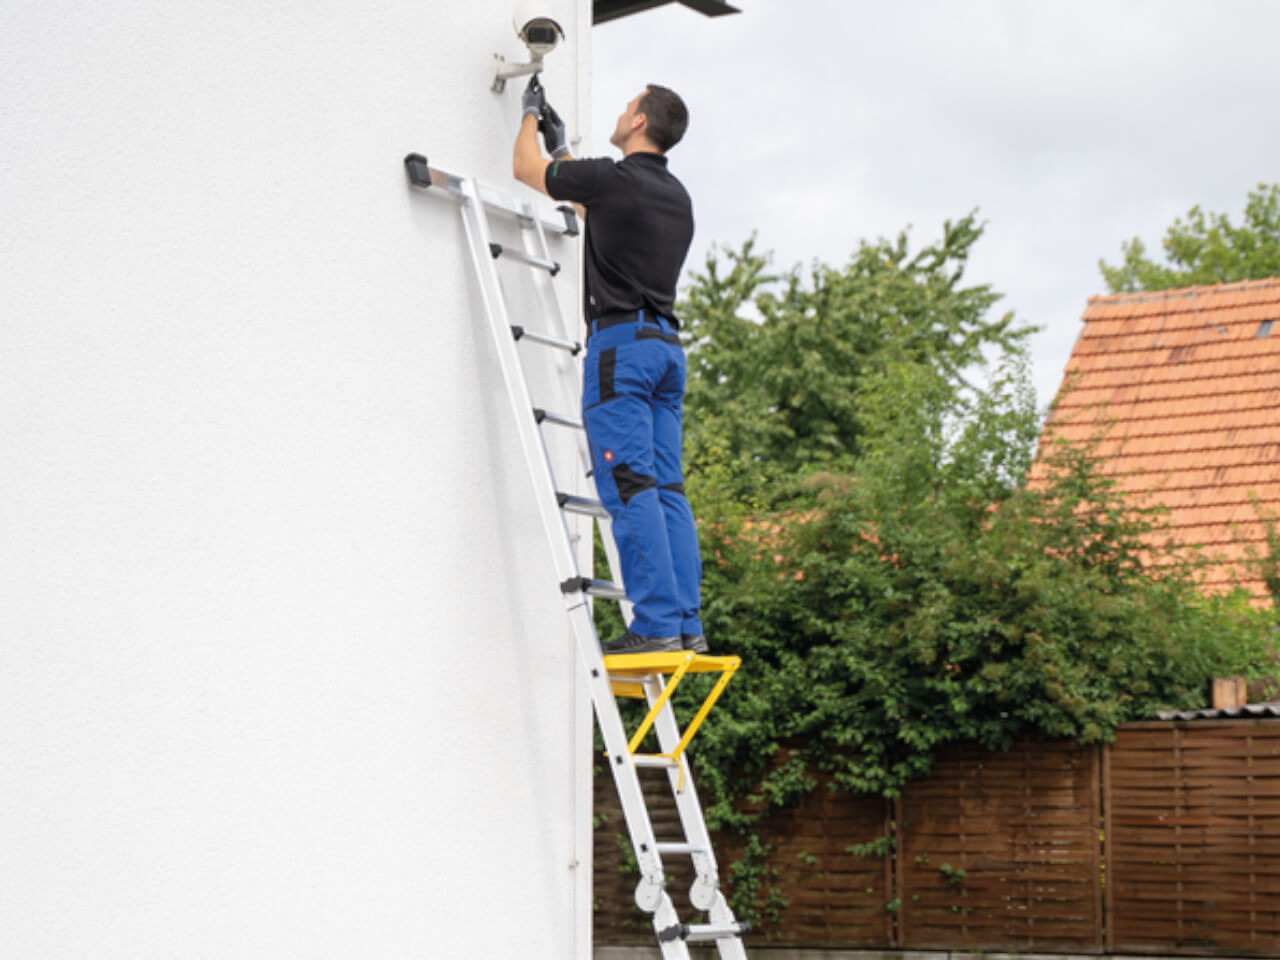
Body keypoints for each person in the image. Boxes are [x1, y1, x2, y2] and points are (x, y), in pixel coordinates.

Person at [513, 78, 706, 657]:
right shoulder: (676, 197)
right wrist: (563, 147)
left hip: (620, 352)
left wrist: (529, 119)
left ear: (641, 123)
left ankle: (654, 627)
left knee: (630, 486)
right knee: (666, 489)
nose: (620, 114)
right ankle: (685, 624)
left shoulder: (610, 180)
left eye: (627, 108)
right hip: (666, 354)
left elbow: (527, 169)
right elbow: (592, 201)